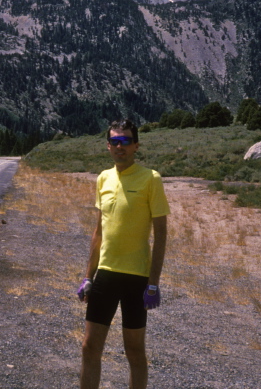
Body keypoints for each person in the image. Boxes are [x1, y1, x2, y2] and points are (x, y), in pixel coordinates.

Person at [78, 118, 169, 389]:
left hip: (136, 277)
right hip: (105, 274)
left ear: (136, 146)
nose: (120, 147)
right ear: (108, 146)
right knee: (89, 347)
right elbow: (99, 232)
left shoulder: (151, 179)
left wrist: (153, 283)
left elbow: (161, 234)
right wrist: (87, 277)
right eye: (115, 141)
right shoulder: (103, 178)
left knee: (134, 352)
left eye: (126, 141)